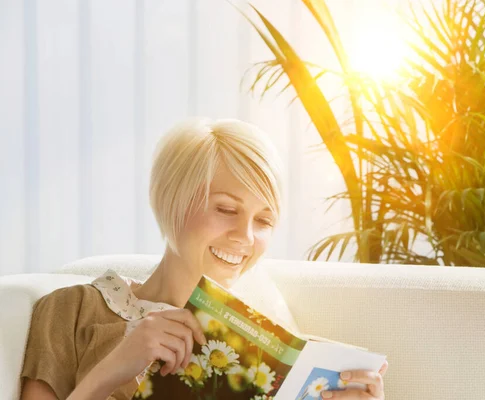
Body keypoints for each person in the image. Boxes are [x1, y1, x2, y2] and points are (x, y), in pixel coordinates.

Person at [20, 118, 388, 400]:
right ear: (171, 202)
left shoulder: (276, 353)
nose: (245, 237)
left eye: (263, 220)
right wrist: (113, 370)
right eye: (227, 209)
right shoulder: (73, 310)